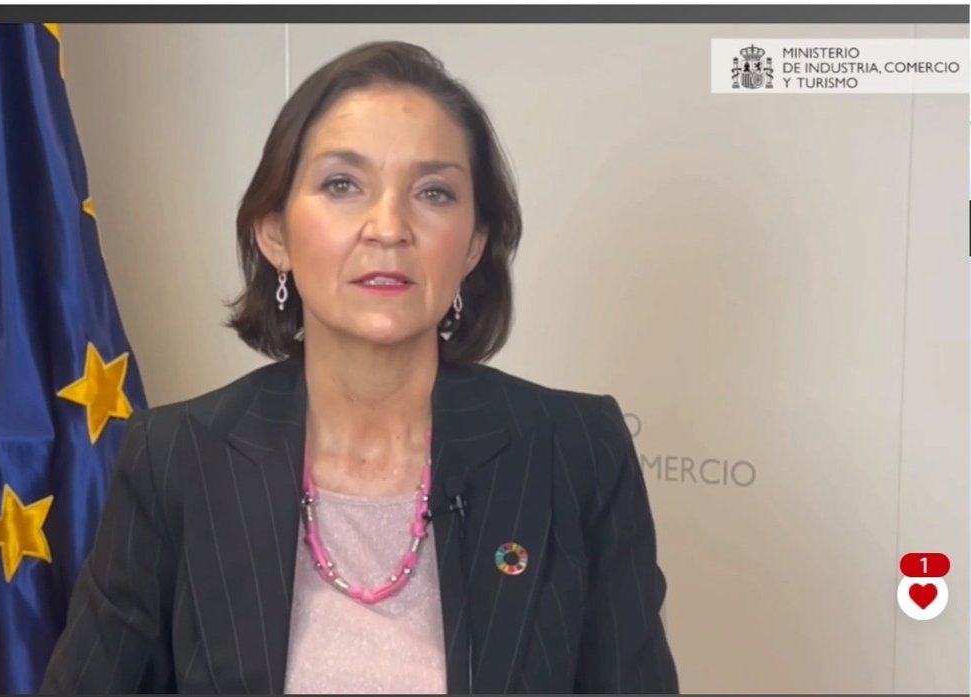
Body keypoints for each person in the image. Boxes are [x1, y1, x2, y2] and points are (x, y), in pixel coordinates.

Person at [41, 40, 678, 695]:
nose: (388, 226)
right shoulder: (176, 458)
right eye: (342, 185)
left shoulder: (577, 451)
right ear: (274, 233)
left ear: (473, 246)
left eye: (433, 192)